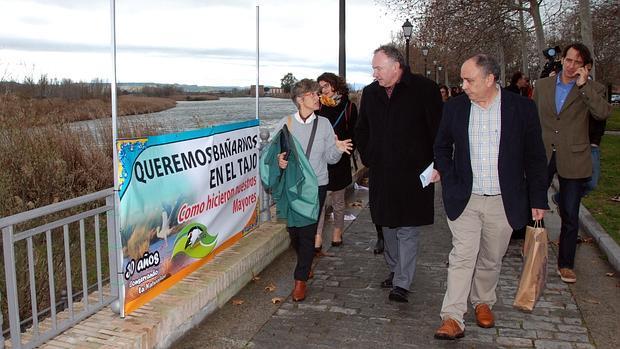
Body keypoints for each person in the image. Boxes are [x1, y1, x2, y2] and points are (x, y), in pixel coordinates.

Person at [433, 54, 548, 340]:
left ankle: (483, 300)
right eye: (463, 79)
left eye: (469, 80)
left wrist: (538, 199)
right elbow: (441, 147)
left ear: (489, 79)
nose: (464, 85)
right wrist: (449, 177)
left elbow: (535, 157)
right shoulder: (456, 108)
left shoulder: (522, 108)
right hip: (465, 198)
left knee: (491, 257)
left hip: (504, 199)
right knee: (462, 256)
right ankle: (453, 316)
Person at [356, 44, 442, 303]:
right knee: (387, 224)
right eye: (373, 69)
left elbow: (439, 130)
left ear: (396, 66)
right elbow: (362, 130)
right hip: (382, 173)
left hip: (415, 174)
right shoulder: (371, 94)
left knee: (408, 228)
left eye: (378, 68)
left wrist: (438, 164)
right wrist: (370, 156)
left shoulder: (425, 90)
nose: (374, 74)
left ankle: (402, 282)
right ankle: (394, 270)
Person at [533, 43, 612, 284]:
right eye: (568, 60)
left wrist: (583, 86)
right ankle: (533, 254)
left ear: (585, 66)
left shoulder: (593, 89)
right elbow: (532, 117)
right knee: (533, 204)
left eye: (577, 62)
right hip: (543, 152)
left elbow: (602, 114)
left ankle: (566, 264)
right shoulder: (543, 85)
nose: (570, 66)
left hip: (574, 156)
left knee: (570, 213)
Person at [269, 79, 353, 301]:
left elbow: (330, 158)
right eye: (312, 94)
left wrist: (338, 149)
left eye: (317, 93)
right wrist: (279, 160)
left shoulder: (324, 124)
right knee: (294, 232)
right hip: (293, 187)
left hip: (317, 185)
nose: (317, 97)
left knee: (308, 233)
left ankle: (300, 280)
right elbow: (272, 153)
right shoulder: (285, 124)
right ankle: (306, 264)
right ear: (299, 99)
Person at [313, 72, 358, 252]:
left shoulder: (349, 107)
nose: (322, 90)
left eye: (325, 86)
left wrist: (346, 149)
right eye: (320, 87)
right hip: (320, 159)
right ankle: (317, 236)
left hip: (339, 159)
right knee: (320, 200)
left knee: (338, 200)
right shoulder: (317, 106)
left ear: (335, 86)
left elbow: (354, 133)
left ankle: (337, 233)